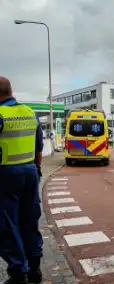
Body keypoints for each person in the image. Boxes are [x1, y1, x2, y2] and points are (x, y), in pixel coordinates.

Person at [0, 76, 44, 284]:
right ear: (11, 90)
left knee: (7, 223)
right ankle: (35, 268)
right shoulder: (29, 112)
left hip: (6, 175)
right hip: (30, 171)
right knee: (30, 219)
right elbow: (39, 147)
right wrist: (37, 168)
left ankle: (18, 272)